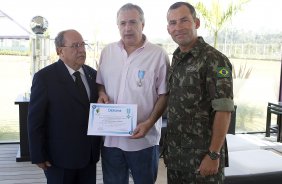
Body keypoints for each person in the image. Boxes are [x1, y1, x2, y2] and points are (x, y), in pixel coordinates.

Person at [96, 3, 169, 184]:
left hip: (143, 140)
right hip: (111, 141)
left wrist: (149, 123)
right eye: (123, 23)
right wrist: (102, 93)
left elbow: (164, 95)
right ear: (118, 26)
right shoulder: (107, 52)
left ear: (142, 25)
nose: (127, 28)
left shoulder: (158, 54)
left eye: (133, 22)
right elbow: (101, 84)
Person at [164, 2, 234, 184]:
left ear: (196, 23)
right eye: (172, 23)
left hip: (202, 160)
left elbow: (224, 110)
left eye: (184, 20)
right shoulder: (177, 58)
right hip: (176, 158)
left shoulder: (215, 60)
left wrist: (213, 154)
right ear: (168, 29)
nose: (178, 27)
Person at [27, 29, 101, 184]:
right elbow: (35, 120)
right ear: (60, 51)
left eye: (82, 44)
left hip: (89, 157)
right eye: (75, 46)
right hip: (59, 159)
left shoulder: (93, 75)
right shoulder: (44, 78)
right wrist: (38, 155)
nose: (81, 50)